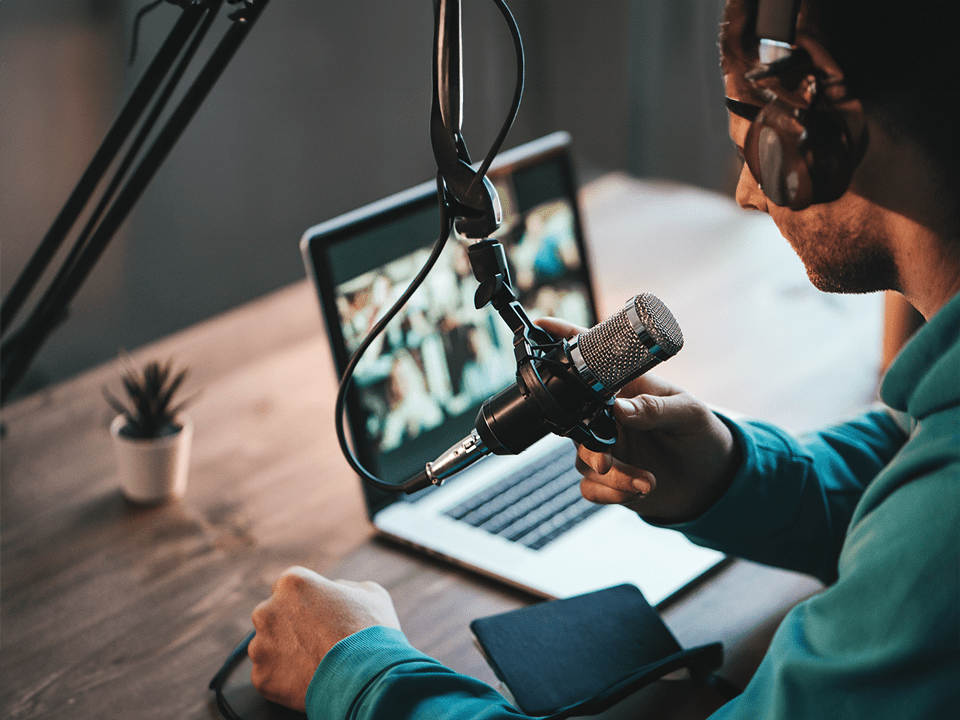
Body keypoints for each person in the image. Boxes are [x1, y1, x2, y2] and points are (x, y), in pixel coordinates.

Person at [247, 1, 959, 717]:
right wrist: (733, 475)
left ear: (826, 126)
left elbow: (922, 534)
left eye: (759, 157)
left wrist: (360, 675)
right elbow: (903, 456)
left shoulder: (940, 531)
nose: (747, 195)